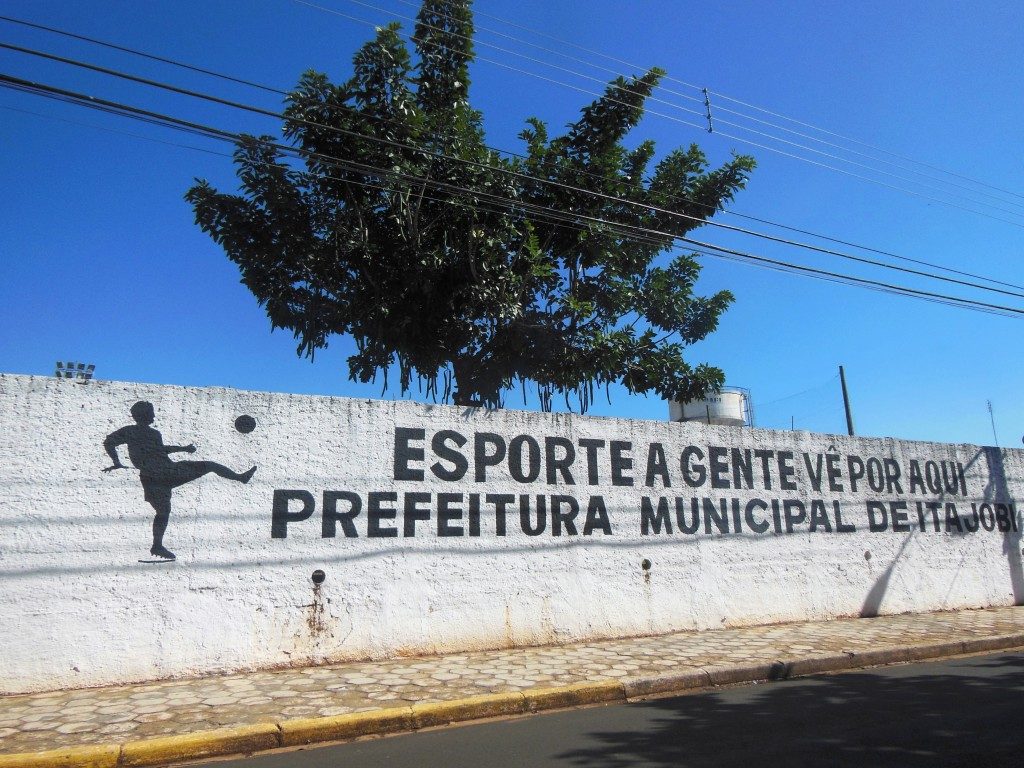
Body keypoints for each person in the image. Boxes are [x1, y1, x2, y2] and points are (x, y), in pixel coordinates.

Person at [103, 401, 256, 560]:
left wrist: (183, 449)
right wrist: (116, 462)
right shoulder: (129, 431)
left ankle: (240, 477)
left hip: (166, 471)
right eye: (151, 413)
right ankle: (157, 546)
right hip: (158, 475)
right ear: (143, 415)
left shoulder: (154, 434)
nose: (154, 416)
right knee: (164, 511)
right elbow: (109, 442)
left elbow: (161, 450)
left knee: (165, 509)